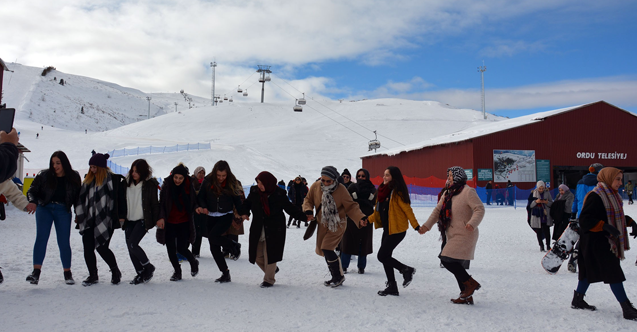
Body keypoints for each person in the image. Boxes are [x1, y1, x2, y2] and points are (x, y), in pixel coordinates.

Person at [570, 167, 637, 321]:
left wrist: (631, 222)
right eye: (617, 179)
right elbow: (585, 220)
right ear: (607, 178)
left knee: (587, 271)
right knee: (614, 273)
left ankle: (578, 300)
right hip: (597, 241)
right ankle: (627, 308)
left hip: (601, 240)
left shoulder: (612, 195)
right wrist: (604, 226)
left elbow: (615, 216)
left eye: (621, 179)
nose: (620, 183)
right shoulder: (596, 195)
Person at [421, 167, 485, 304]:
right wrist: (426, 226)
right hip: (452, 233)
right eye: (448, 175)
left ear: (457, 177)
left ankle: (470, 283)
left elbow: (479, 209)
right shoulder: (448, 193)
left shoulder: (468, 191)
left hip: (466, 233)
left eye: (450, 175)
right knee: (454, 262)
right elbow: (437, 211)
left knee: (446, 259)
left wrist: (472, 223)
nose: (448, 178)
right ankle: (466, 296)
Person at [303, 166, 367, 288]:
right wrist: (308, 210)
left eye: (329, 181)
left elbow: (351, 206)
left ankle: (338, 276)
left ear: (334, 180)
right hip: (323, 223)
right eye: (323, 180)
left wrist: (361, 217)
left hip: (337, 223)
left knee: (327, 248)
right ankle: (335, 276)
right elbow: (308, 200)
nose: (325, 183)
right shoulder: (316, 186)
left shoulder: (341, 189)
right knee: (325, 250)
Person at [241, 171, 307, 287]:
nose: (259, 185)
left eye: (261, 183)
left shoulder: (279, 194)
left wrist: (304, 217)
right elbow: (247, 203)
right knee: (256, 255)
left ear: (268, 183)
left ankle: (268, 279)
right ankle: (271, 269)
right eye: (258, 182)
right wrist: (245, 213)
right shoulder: (255, 191)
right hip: (258, 227)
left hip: (275, 229)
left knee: (270, 254)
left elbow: (289, 208)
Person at [25, 151, 81, 285]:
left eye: (58, 163)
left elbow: (78, 197)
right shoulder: (44, 175)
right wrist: (32, 201)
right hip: (45, 208)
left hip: (63, 210)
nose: (54, 166)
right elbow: (31, 190)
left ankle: (67, 273)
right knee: (41, 238)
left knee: (63, 242)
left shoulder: (74, 177)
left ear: (64, 163)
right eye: (52, 163)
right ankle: (36, 273)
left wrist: (79, 213)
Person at [367, 166, 422, 296]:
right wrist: (366, 220)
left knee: (382, 256)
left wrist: (416, 226)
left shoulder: (397, 192)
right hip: (388, 229)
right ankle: (392, 286)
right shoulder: (382, 191)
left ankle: (406, 270)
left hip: (397, 230)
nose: (384, 177)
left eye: (387, 175)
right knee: (386, 257)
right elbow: (378, 213)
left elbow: (407, 209)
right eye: (384, 175)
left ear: (394, 177)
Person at [75, 152, 126, 286]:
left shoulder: (114, 181)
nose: (92, 170)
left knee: (102, 248)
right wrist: (79, 215)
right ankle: (93, 274)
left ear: (102, 167)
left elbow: (120, 200)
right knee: (88, 248)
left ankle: (115, 271)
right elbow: (80, 199)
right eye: (91, 167)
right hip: (88, 219)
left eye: (95, 167)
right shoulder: (87, 181)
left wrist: (121, 217)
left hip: (106, 220)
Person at [196, 160, 245, 283]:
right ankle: (225, 273)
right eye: (218, 175)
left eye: (223, 176)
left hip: (225, 215)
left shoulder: (232, 182)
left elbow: (237, 201)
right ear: (214, 173)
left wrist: (243, 212)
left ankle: (233, 245)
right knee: (214, 247)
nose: (221, 178)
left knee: (212, 237)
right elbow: (201, 196)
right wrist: (203, 206)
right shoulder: (207, 181)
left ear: (227, 174)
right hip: (211, 215)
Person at [156, 164, 199, 281]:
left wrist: (197, 208)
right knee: (170, 248)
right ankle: (177, 271)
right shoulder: (167, 186)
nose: (177, 180)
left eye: (180, 178)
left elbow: (194, 202)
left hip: (183, 221)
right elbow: (162, 204)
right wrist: (160, 217)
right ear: (172, 176)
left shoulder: (189, 187)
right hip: (169, 221)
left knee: (181, 247)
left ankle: (193, 262)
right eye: (176, 177)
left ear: (184, 178)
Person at [123, 159, 160, 284]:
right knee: (130, 247)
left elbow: (155, 204)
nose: (134, 174)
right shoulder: (126, 183)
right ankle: (140, 273)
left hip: (143, 220)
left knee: (133, 244)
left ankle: (148, 266)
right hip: (129, 220)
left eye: (137, 171)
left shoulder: (150, 185)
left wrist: (156, 220)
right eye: (132, 171)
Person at [340, 168, 376, 274]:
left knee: (363, 243)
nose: (360, 178)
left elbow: (374, 202)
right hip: (352, 219)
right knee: (348, 242)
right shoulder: (352, 187)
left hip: (367, 219)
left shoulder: (372, 189)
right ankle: (343, 266)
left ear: (367, 177)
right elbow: (347, 201)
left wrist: (358, 200)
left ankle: (361, 267)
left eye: (363, 176)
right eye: (359, 176)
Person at [569, 163, 603, 273]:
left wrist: (573, 214)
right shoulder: (600, 184)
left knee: (584, 237)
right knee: (594, 239)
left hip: (581, 215)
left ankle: (576, 255)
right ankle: (594, 262)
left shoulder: (580, 182)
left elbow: (576, 199)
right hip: (595, 216)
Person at [527, 180, 553, 252]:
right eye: (540, 188)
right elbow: (529, 206)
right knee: (538, 231)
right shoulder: (533, 194)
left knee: (547, 230)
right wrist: (536, 202)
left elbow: (551, 204)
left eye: (542, 188)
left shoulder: (547, 193)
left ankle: (548, 245)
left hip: (545, 214)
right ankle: (541, 246)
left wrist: (546, 202)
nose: (541, 190)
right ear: (537, 188)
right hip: (537, 215)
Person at [190, 166, 206, 257]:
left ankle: (196, 252)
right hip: (192, 211)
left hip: (201, 212)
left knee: (199, 232)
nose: (201, 175)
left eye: (203, 173)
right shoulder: (191, 182)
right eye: (199, 172)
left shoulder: (205, 184)